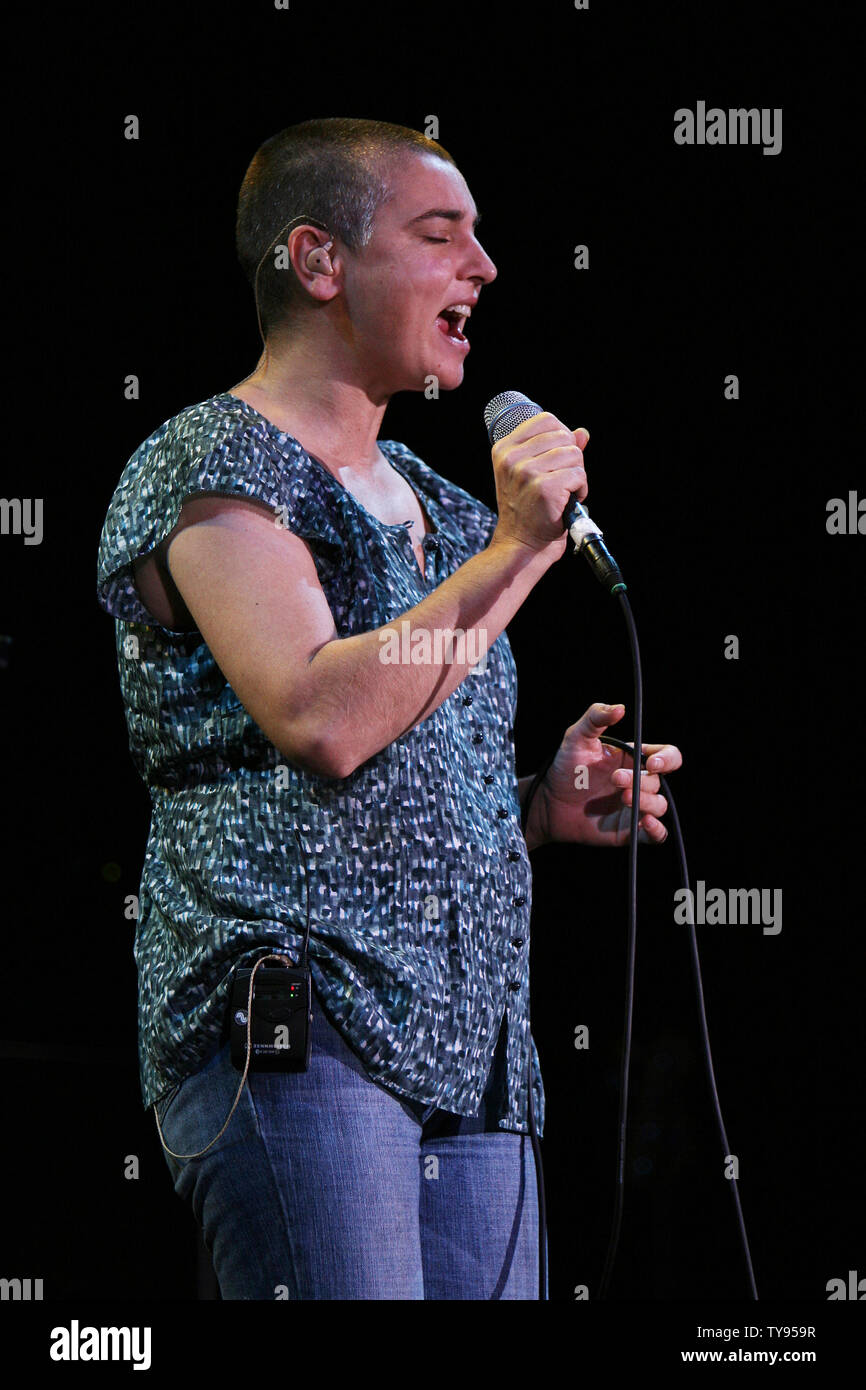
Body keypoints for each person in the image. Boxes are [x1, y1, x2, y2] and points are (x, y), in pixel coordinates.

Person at [96, 117, 682, 1300]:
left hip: (473, 1051)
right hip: (300, 1027)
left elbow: (405, 761)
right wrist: (521, 545)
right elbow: (321, 715)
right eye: (440, 234)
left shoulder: (446, 510)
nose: (484, 265)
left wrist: (533, 804)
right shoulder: (214, 462)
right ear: (318, 263)